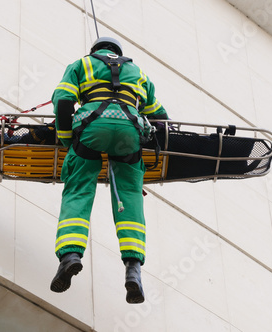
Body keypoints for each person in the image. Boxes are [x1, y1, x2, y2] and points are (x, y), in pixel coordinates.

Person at [50, 37, 168, 304]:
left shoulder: (81, 65)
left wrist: (69, 141)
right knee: (129, 196)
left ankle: (70, 256)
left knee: (78, 190)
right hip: (130, 133)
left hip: (92, 129)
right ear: (118, 53)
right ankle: (133, 269)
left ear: (95, 50)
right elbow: (160, 117)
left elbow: (64, 101)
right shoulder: (139, 73)